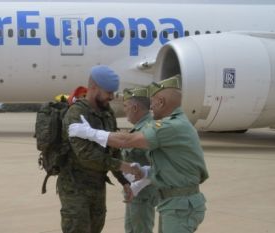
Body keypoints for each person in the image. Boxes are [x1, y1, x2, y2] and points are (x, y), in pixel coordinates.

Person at [68, 75, 209, 233]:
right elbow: (173, 165)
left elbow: (127, 141)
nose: (151, 107)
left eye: (153, 102)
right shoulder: (175, 123)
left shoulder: (171, 126)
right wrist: (145, 172)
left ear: (161, 101)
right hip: (175, 203)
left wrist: (90, 133)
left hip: (180, 205)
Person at [59, 65, 136, 233]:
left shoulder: (107, 114)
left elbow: (113, 150)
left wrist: (124, 181)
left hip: (98, 186)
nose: (112, 97)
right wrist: (121, 166)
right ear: (93, 88)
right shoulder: (76, 114)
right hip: (74, 187)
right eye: (109, 92)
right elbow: (86, 155)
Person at [120, 87, 158, 233]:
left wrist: (137, 186)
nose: (124, 110)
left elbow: (158, 164)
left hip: (143, 195)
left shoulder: (148, 129)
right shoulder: (138, 128)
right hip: (135, 193)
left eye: (125, 106)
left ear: (135, 107)